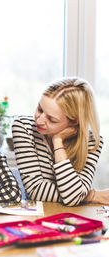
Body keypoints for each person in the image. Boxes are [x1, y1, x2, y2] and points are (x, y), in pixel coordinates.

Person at [12, 76, 109, 206]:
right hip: (39, 214)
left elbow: (73, 197)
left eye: (51, 119)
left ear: (74, 121)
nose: (39, 120)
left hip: (71, 215)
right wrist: (91, 195)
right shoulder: (24, 128)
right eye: (40, 109)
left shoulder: (91, 142)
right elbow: (36, 190)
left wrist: (58, 141)